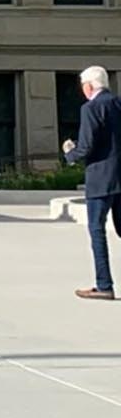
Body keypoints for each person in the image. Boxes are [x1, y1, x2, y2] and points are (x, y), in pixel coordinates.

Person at [62, 65, 121, 300]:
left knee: (97, 230)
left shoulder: (91, 108)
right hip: (120, 176)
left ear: (88, 86)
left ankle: (104, 284)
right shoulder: (117, 104)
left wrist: (70, 154)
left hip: (100, 178)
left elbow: (87, 147)